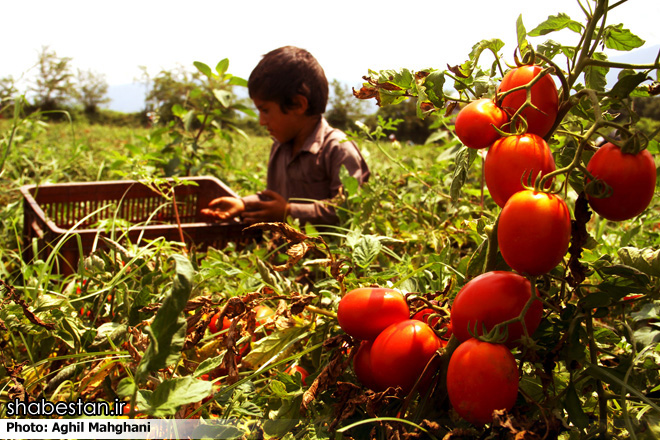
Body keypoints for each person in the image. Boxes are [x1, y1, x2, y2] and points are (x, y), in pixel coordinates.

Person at [203, 46, 370, 226]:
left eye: (265, 110)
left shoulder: (338, 149)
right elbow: (275, 199)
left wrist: (289, 212)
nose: (261, 121)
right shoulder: (280, 146)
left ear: (298, 104)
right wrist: (242, 203)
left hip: (327, 250)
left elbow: (348, 209)